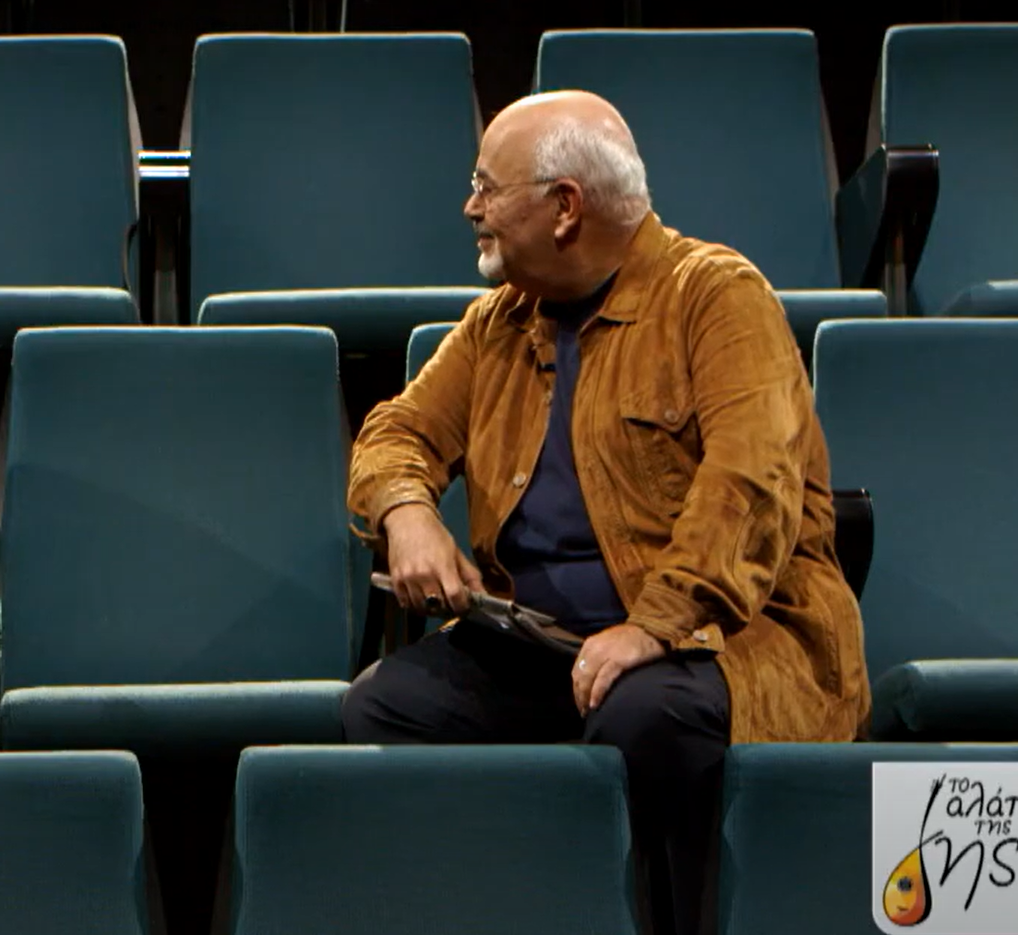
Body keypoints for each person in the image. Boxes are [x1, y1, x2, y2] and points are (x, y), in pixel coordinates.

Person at [343, 91, 870, 935]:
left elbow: (749, 486)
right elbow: (396, 432)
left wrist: (652, 625)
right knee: (385, 708)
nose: (470, 207)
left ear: (565, 208)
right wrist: (408, 512)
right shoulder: (498, 323)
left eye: (486, 187)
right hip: (546, 645)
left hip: (719, 641)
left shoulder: (716, 297)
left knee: (643, 715)